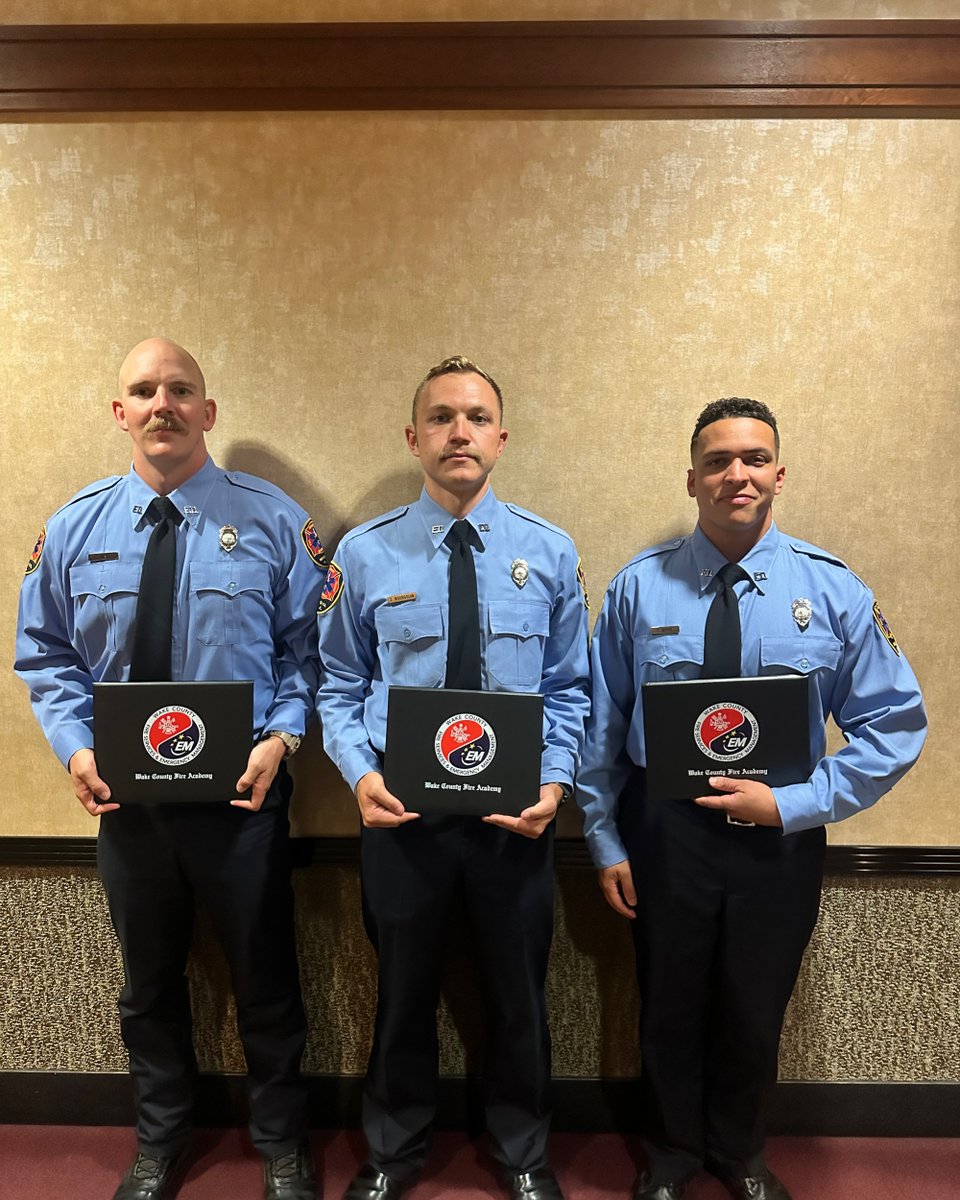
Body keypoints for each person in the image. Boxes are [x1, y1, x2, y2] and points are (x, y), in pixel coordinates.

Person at [576, 397, 927, 1200]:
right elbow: (603, 732)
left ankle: (738, 1151)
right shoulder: (637, 591)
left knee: (754, 999)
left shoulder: (832, 591)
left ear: (779, 471)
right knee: (667, 998)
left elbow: (896, 725)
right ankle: (669, 1153)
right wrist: (606, 842)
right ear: (692, 477)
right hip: (665, 833)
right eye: (718, 460)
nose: (737, 474)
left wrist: (800, 802)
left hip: (780, 833)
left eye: (754, 457)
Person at [15, 338, 326, 1200]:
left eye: (181, 390)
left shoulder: (271, 520)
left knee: (266, 977)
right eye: (144, 391)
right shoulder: (75, 527)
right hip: (129, 808)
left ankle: (281, 1144)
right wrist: (76, 750)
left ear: (208, 412)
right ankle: (159, 1140)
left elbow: (313, 651)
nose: (164, 405)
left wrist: (281, 740)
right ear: (121, 412)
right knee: (147, 985)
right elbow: (43, 657)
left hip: (243, 795)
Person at [316, 356, 590, 1200]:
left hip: (517, 822)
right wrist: (360, 774)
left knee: (518, 999)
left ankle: (522, 1153)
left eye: (476, 417)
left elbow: (571, 688)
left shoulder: (549, 553)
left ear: (501, 439)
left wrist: (553, 785)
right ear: (414, 438)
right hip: (403, 818)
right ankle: (393, 1152)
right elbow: (338, 684)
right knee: (401, 998)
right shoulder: (363, 556)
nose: (458, 431)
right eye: (440, 417)